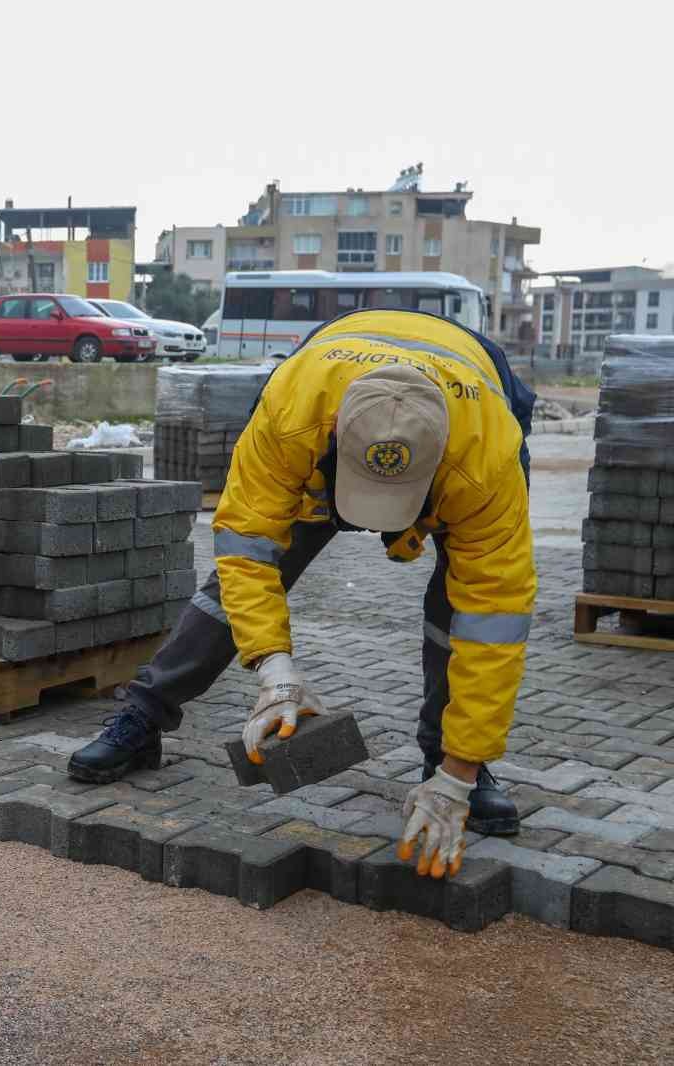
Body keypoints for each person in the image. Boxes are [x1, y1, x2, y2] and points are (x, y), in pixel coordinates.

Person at [67, 308, 537, 880]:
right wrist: (275, 670)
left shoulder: (487, 461)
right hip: (318, 418)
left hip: (469, 422)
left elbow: (496, 619)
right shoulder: (289, 411)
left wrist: (459, 775)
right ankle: (142, 717)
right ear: (335, 429)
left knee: (463, 615)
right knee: (237, 584)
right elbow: (244, 555)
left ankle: (450, 762)